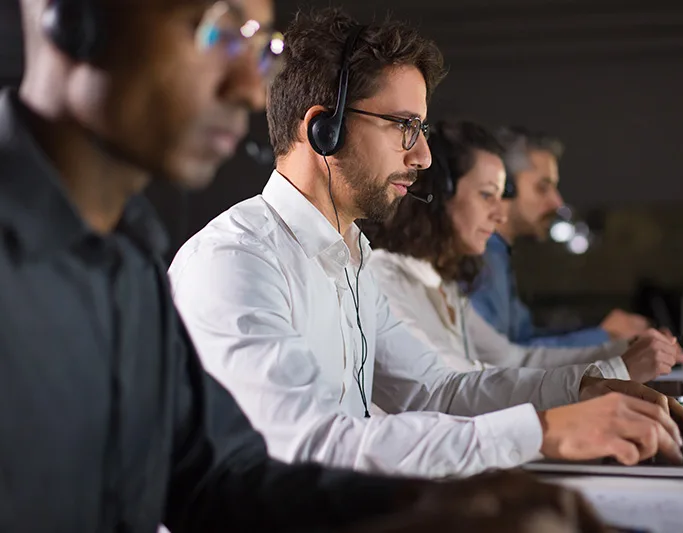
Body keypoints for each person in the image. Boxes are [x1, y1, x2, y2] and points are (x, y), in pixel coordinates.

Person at [0, 0, 612, 531]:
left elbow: (217, 482)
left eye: (256, 45)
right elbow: (296, 448)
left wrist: (454, 506)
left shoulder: (126, 261)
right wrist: (534, 436)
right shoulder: (229, 260)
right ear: (72, 18)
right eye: (212, 30)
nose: (247, 87)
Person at [169, 7, 683, 480]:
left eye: (420, 128)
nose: (422, 157)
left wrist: (586, 390)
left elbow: (436, 390)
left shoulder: (353, 256)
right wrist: (543, 433)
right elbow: (308, 446)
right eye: (403, 126)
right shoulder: (236, 262)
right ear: (322, 130)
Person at [364, 120, 683, 383]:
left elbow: (514, 359)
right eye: (487, 195)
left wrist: (619, 352)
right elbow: (454, 388)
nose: (500, 214)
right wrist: (613, 369)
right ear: (437, 196)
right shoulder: (386, 278)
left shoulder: (442, 283)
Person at [469, 126, 650, 348]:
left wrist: (604, 331)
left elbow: (523, 338)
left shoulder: (498, 254)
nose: (557, 202)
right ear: (504, 186)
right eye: (542, 188)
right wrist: (603, 336)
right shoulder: (479, 256)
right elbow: (501, 358)